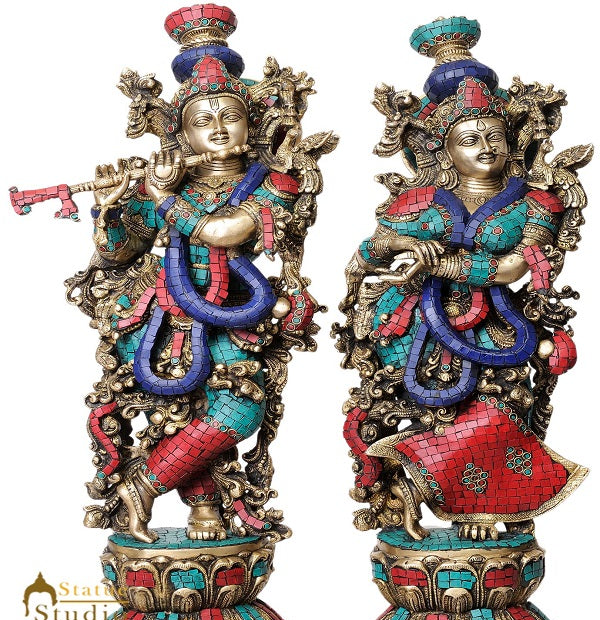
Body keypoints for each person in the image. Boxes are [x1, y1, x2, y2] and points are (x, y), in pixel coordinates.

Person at [68, 5, 328, 544]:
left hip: (233, 307)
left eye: (229, 116)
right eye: (202, 121)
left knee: (238, 407)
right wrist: (112, 208)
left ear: (250, 123)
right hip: (160, 311)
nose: (218, 128)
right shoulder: (165, 180)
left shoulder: (272, 182)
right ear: (182, 133)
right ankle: (203, 505)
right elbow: (119, 253)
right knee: (181, 408)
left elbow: (226, 232)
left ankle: (143, 484)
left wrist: (165, 198)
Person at [337, 21, 587, 541]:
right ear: (444, 151)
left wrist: (444, 265)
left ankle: (461, 494)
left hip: (494, 320)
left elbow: (513, 267)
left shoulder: (534, 202)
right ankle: (411, 486)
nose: (485, 147)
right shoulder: (419, 200)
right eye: (470, 139)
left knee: (501, 407)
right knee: (420, 405)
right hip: (413, 323)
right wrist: (405, 246)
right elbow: (367, 252)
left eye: (494, 136)